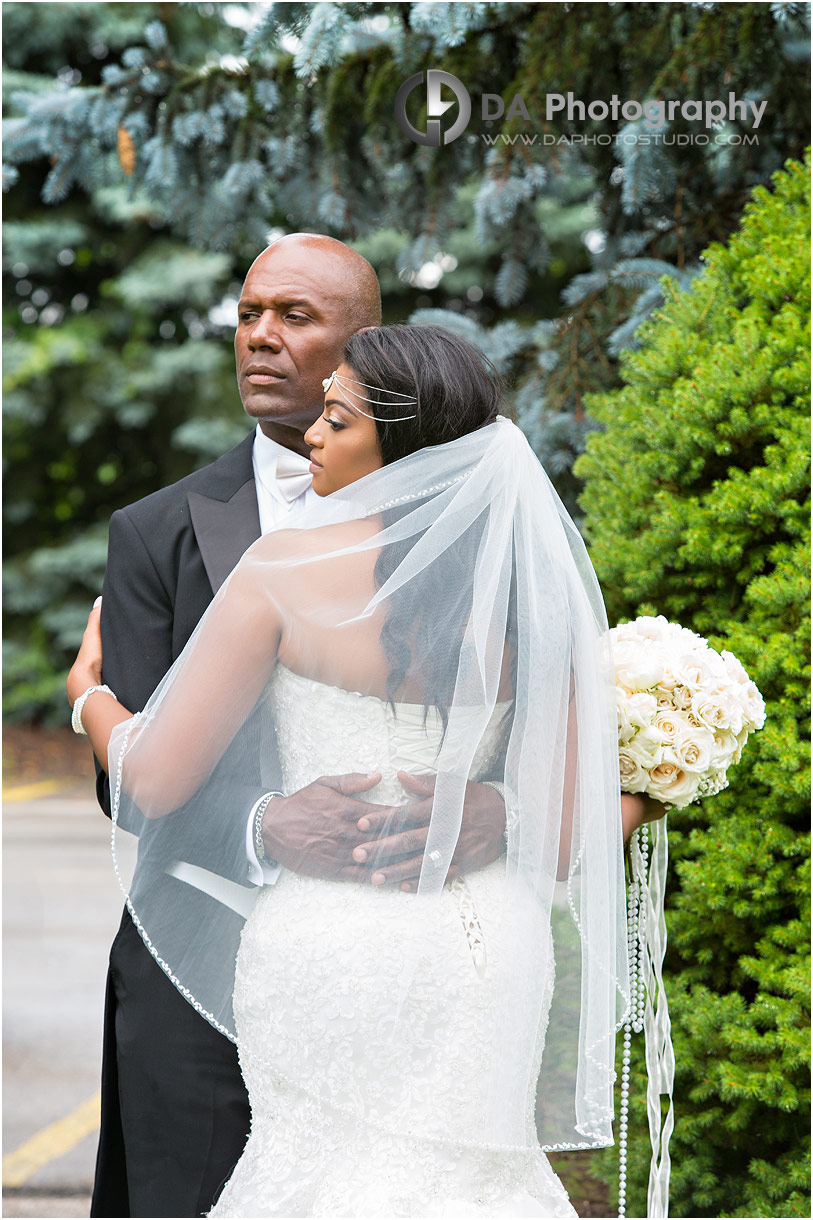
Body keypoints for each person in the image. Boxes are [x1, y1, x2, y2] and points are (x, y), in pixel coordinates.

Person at [70, 324, 658, 1217]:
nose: (311, 432)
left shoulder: (281, 574)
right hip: (487, 946)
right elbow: (572, 823)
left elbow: (152, 781)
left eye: (336, 421)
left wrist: (90, 703)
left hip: (329, 940)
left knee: (319, 1177)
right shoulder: (525, 592)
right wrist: (501, 807)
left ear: (402, 442)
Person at [87, 238, 507, 1218]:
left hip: (418, 968)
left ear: (371, 345)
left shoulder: (485, 543)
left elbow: (551, 734)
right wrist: (266, 821)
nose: (260, 337)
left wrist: (498, 808)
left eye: (296, 317)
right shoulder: (157, 530)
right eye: (247, 314)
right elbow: (131, 786)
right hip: (195, 964)